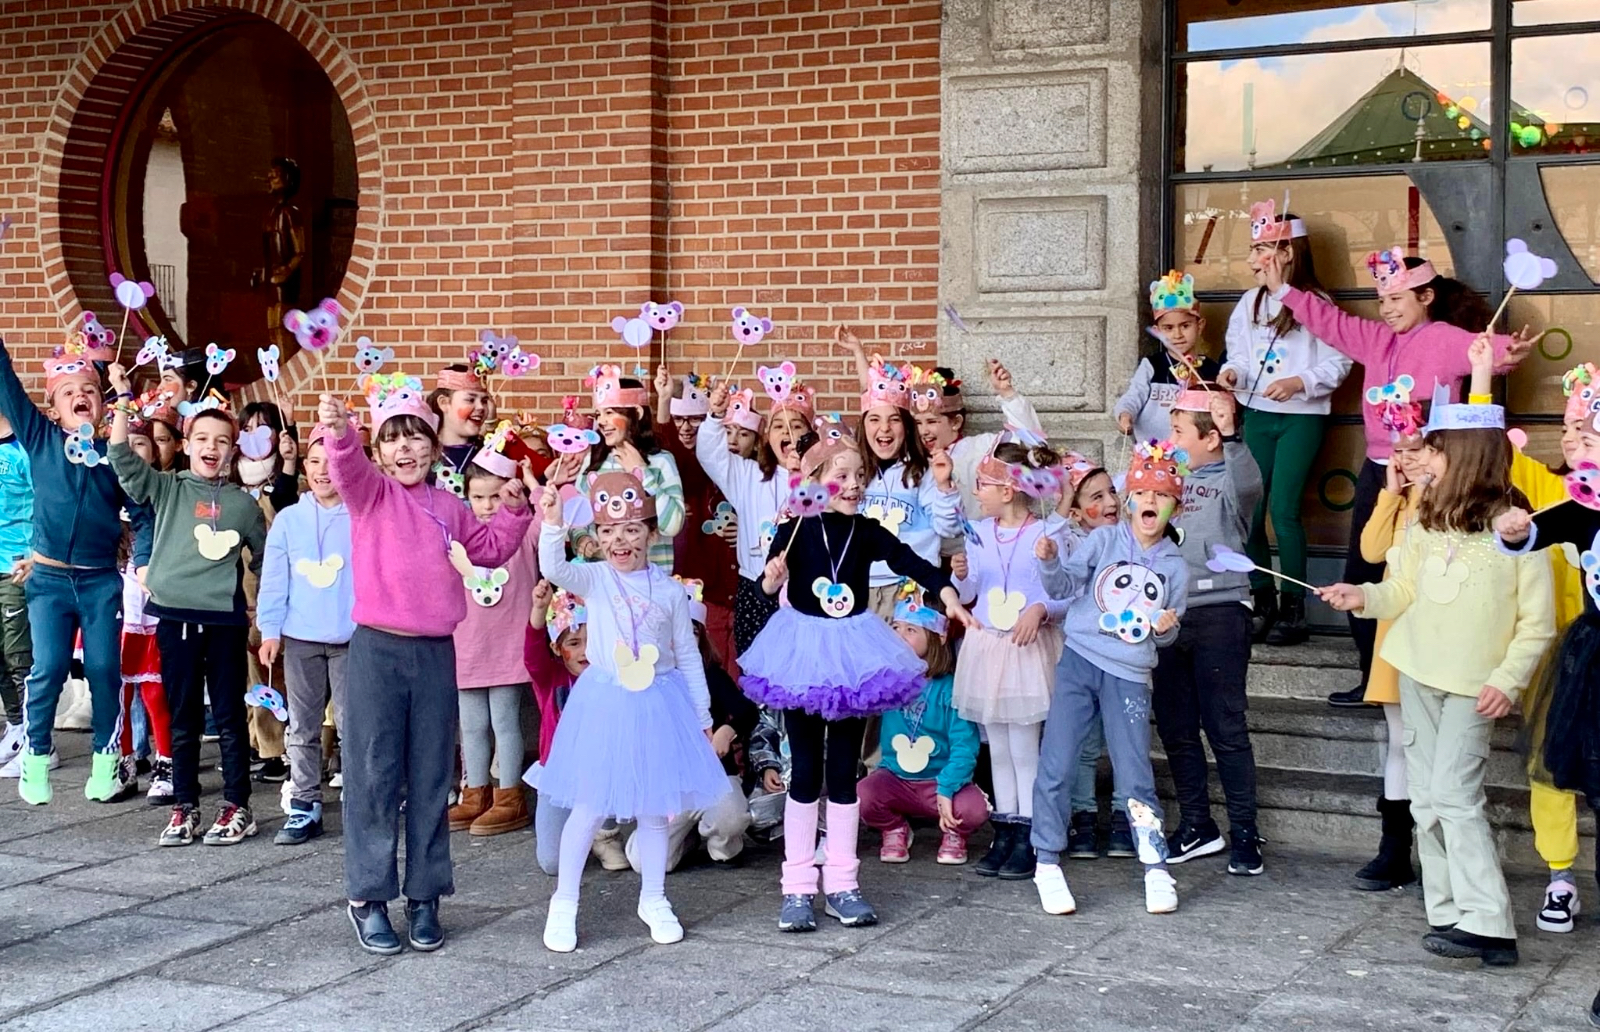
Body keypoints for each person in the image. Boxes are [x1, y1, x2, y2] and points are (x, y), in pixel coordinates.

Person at [1321, 376, 1553, 969]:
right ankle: (1447, 910)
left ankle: (1490, 924)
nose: (1421, 458)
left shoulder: (1519, 530)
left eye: (1434, 448)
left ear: (1467, 455)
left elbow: (1538, 622)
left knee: (1455, 796)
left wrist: (1508, 679)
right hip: (1417, 671)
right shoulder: (1424, 519)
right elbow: (1402, 588)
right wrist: (1363, 597)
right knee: (1425, 798)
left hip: (1475, 685)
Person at [317, 373, 535, 956]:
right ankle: (368, 896)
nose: (405, 448)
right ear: (378, 451)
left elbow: (489, 551)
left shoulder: (450, 507)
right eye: (392, 438)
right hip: (376, 652)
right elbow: (348, 469)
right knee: (373, 773)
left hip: (436, 653)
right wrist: (340, 434)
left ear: (435, 446)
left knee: (433, 775)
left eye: (416, 436)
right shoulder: (370, 495)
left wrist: (514, 509)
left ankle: (425, 894)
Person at [1258, 245, 1533, 706]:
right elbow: (1331, 322)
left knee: (1425, 577)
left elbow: (1483, 352)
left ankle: (1429, 679)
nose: (1386, 309)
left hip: (1433, 476)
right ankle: (1371, 680)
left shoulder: (1443, 337)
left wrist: (1511, 351)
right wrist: (1283, 290)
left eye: (1396, 300)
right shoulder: (1375, 338)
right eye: (1382, 301)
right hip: (1379, 470)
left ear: (1425, 297)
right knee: (1362, 570)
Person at [738, 423, 976, 932]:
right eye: (842, 475)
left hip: (851, 657)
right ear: (815, 480)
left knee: (845, 771)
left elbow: (913, 562)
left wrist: (948, 594)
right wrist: (770, 582)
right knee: (805, 771)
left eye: (860, 475)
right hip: (804, 657)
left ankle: (843, 883)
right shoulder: (796, 528)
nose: (854, 484)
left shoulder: (866, 531)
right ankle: (797, 887)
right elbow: (762, 590)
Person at [531, 472, 729, 953]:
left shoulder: (670, 592)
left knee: (654, 808)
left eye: (632, 529)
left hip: (658, 701)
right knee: (589, 805)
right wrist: (553, 522)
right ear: (598, 537)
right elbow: (555, 567)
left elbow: (686, 655)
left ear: (651, 533)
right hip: (606, 701)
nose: (620, 541)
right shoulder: (596, 579)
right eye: (608, 531)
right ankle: (564, 901)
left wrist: (702, 717)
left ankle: (654, 898)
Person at [107, 363, 268, 845]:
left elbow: (265, 559)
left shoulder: (243, 505)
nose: (211, 448)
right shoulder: (168, 487)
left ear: (232, 449)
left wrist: (264, 611)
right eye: (201, 439)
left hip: (223, 622)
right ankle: (185, 806)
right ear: (186, 444)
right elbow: (120, 456)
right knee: (183, 718)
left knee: (228, 716)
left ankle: (238, 805)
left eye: (221, 441)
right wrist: (121, 400)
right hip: (174, 618)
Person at [1031, 440, 1189, 916]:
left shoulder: (1176, 567)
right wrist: (1048, 560)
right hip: (1079, 660)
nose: (1150, 502)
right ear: (1130, 499)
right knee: (1057, 761)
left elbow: (1166, 636)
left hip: (1130, 675)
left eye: (1162, 496)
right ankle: (1046, 861)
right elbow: (1063, 587)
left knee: (1135, 773)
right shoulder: (1102, 541)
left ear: (1176, 507)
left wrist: (1167, 627)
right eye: (1142, 494)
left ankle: (1155, 866)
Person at [0, 339, 144, 805]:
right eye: (68, 392)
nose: (80, 395)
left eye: (90, 390)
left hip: (99, 581)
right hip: (49, 582)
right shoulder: (40, 439)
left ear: (103, 404)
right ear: (54, 408)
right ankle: (35, 755)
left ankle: (106, 762)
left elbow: (141, 510)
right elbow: (8, 387)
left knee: (103, 669)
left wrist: (143, 559)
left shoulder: (114, 456)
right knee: (48, 668)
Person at [1217, 202, 1351, 643]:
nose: (1253, 259)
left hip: (1302, 419)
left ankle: (1295, 607)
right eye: (1253, 249)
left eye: (1263, 249)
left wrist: (1299, 382)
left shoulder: (1316, 303)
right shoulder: (1249, 302)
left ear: (1288, 252)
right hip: (1257, 415)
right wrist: (1231, 373)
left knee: (1284, 510)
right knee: (1250, 510)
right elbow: (1238, 354)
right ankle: (1261, 599)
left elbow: (1340, 360)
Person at [1496, 362, 1594, 933]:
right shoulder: (1557, 494)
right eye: (1569, 429)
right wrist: (1480, 374)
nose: (1575, 438)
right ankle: (1560, 875)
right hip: (1565, 657)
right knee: (1551, 763)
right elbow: (1491, 448)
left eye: (1588, 430)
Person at [1154, 388, 1265, 874]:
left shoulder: (1231, 477)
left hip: (1220, 610)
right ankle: (1198, 824)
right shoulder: (1168, 479)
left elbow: (1249, 485)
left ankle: (1245, 833)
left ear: (1211, 439)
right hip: (1170, 614)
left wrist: (1234, 435)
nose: (1171, 439)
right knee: (1177, 728)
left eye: (1179, 432)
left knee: (1226, 727)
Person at [950, 440, 1068, 880]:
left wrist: (1041, 609)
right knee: (997, 747)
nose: (976, 492)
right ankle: (1004, 830)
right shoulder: (979, 533)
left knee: (1023, 747)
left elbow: (1065, 592)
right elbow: (970, 592)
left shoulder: (1046, 534)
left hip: (1024, 649)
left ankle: (1031, 835)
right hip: (987, 646)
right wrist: (960, 577)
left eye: (982, 484)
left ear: (1008, 489)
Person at [256, 423, 355, 846]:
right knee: (302, 725)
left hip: (351, 637)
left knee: (353, 723)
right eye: (313, 461)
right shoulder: (289, 520)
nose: (321, 470)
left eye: (331, 462)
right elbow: (274, 579)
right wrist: (270, 630)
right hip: (300, 638)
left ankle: (359, 799)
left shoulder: (360, 515)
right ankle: (304, 801)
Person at [1347, 389, 1429, 893]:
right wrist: (1391, 494)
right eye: (1398, 450)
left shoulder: (1448, 499)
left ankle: (1439, 847)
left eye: (1415, 448)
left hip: (1434, 636)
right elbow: (1372, 550)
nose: (1405, 458)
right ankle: (1395, 848)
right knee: (1399, 741)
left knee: (1431, 747)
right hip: (1393, 633)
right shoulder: (1397, 497)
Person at [624, 576, 759, 872]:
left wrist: (727, 731)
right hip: (672, 784)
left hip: (714, 777)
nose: (680, 641)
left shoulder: (712, 676)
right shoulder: (649, 682)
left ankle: (722, 846)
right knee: (644, 862)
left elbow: (747, 711)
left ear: (700, 638)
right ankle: (685, 840)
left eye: (690, 633)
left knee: (730, 817)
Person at [857, 584, 988, 865]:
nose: (899, 636)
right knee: (864, 795)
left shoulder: (950, 689)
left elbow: (965, 746)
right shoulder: (888, 682)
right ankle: (895, 828)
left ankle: (954, 832)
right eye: (895, 628)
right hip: (897, 779)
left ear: (938, 637)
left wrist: (947, 787)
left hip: (940, 782)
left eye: (910, 630)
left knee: (973, 809)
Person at [447, 452, 541, 838]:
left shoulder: (524, 528)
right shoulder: (457, 536)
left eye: (495, 497)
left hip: (507, 645)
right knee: (471, 725)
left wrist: (534, 487)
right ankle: (475, 792)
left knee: (504, 721)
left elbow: (552, 521)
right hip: (466, 644)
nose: (487, 506)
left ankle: (510, 794)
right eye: (478, 497)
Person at [1044, 457, 1133, 859]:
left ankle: (1124, 816)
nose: (1110, 502)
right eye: (1096, 497)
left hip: (1123, 656)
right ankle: (1083, 815)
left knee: (1123, 740)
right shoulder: (1071, 545)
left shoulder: (1132, 539)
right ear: (1077, 512)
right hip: (1081, 655)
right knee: (1084, 741)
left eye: (1111, 492)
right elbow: (1058, 585)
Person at [699, 375, 811, 654]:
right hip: (755, 588)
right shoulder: (749, 475)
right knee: (756, 667)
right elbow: (710, 455)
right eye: (779, 426)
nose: (788, 431)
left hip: (805, 590)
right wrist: (715, 416)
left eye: (797, 426)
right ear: (768, 437)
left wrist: (804, 475)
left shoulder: (821, 481)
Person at [653, 367, 740, 672]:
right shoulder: (678, 468)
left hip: (737, 585)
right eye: (679, 420)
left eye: (695, 420)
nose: (686, 428)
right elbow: (667, 446)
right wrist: (664, 401)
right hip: (698, 586)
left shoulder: (733, 465)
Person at [236, 401, 299, 789]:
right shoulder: (231, 481)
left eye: (264, 428)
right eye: (246, 429)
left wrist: (290, 460)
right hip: (238, 591)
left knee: (276, 670)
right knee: (248, 672)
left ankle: (279, 747)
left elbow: (285, 500)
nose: (254, 437)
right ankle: (255, 742)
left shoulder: (285, 480)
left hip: (273, 591)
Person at [575, 365, 684, 570]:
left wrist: (642, 472)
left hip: (651, 579)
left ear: (636, 413)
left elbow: (672, 525)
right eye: (598, 415)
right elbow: (578, 518)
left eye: (609, 413)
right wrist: (581, 539)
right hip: (603, 579)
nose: (602, 422)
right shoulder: (593, 461)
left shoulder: (661, 461)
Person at [116, 424, 168, 805]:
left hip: (153, 601)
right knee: (117, 689)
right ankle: (123, 760)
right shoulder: (106, 489)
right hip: (116, 600)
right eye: (127, 443)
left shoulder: (164, 492)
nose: (134, 450)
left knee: (155, 689)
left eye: (141, 443)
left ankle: (166, 761)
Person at [1114, 272, 1222, 444]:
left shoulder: (1212, 370)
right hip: (1153, 452)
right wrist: (1125, 414)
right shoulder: (1151, 365)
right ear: (1158, 331)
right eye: (1168, 328)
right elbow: (1134, 395)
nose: (1177, 334)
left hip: (1193, 453)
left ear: (1200, 326)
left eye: (1185, 326)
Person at [524, 581, 586, 876]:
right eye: (574, 643)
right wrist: (539, 609)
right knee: (552, 863)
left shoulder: (609, 675)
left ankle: (604, 833)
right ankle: (579, 835)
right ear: (557, 648)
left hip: (600, 776)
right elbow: (532, 655)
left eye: (591, 641)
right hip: (559, 777)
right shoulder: (552, 678)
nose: (585, 651)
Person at [0, 404, 33, 774]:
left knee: (18, 653)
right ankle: (15, 725)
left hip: (15, 565)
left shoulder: (24, 447)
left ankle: (35, 738)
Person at [427, 362, 490, 498]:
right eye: (470, 399)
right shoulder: (423, 455)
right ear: (444, 403)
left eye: (484, 401)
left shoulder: (490, 453)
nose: (481, 407)